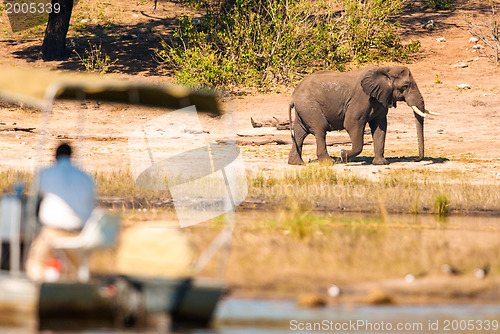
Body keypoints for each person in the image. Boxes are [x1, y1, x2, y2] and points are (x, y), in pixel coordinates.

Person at [26, 143, 95, 281]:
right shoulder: (85, 176)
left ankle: (38, 287)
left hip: (53, 232)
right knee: (76, 268)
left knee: (36, 261)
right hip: (80, 233)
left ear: (55, 156)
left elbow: (35, 199)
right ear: (71, 156)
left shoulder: (45, 173)